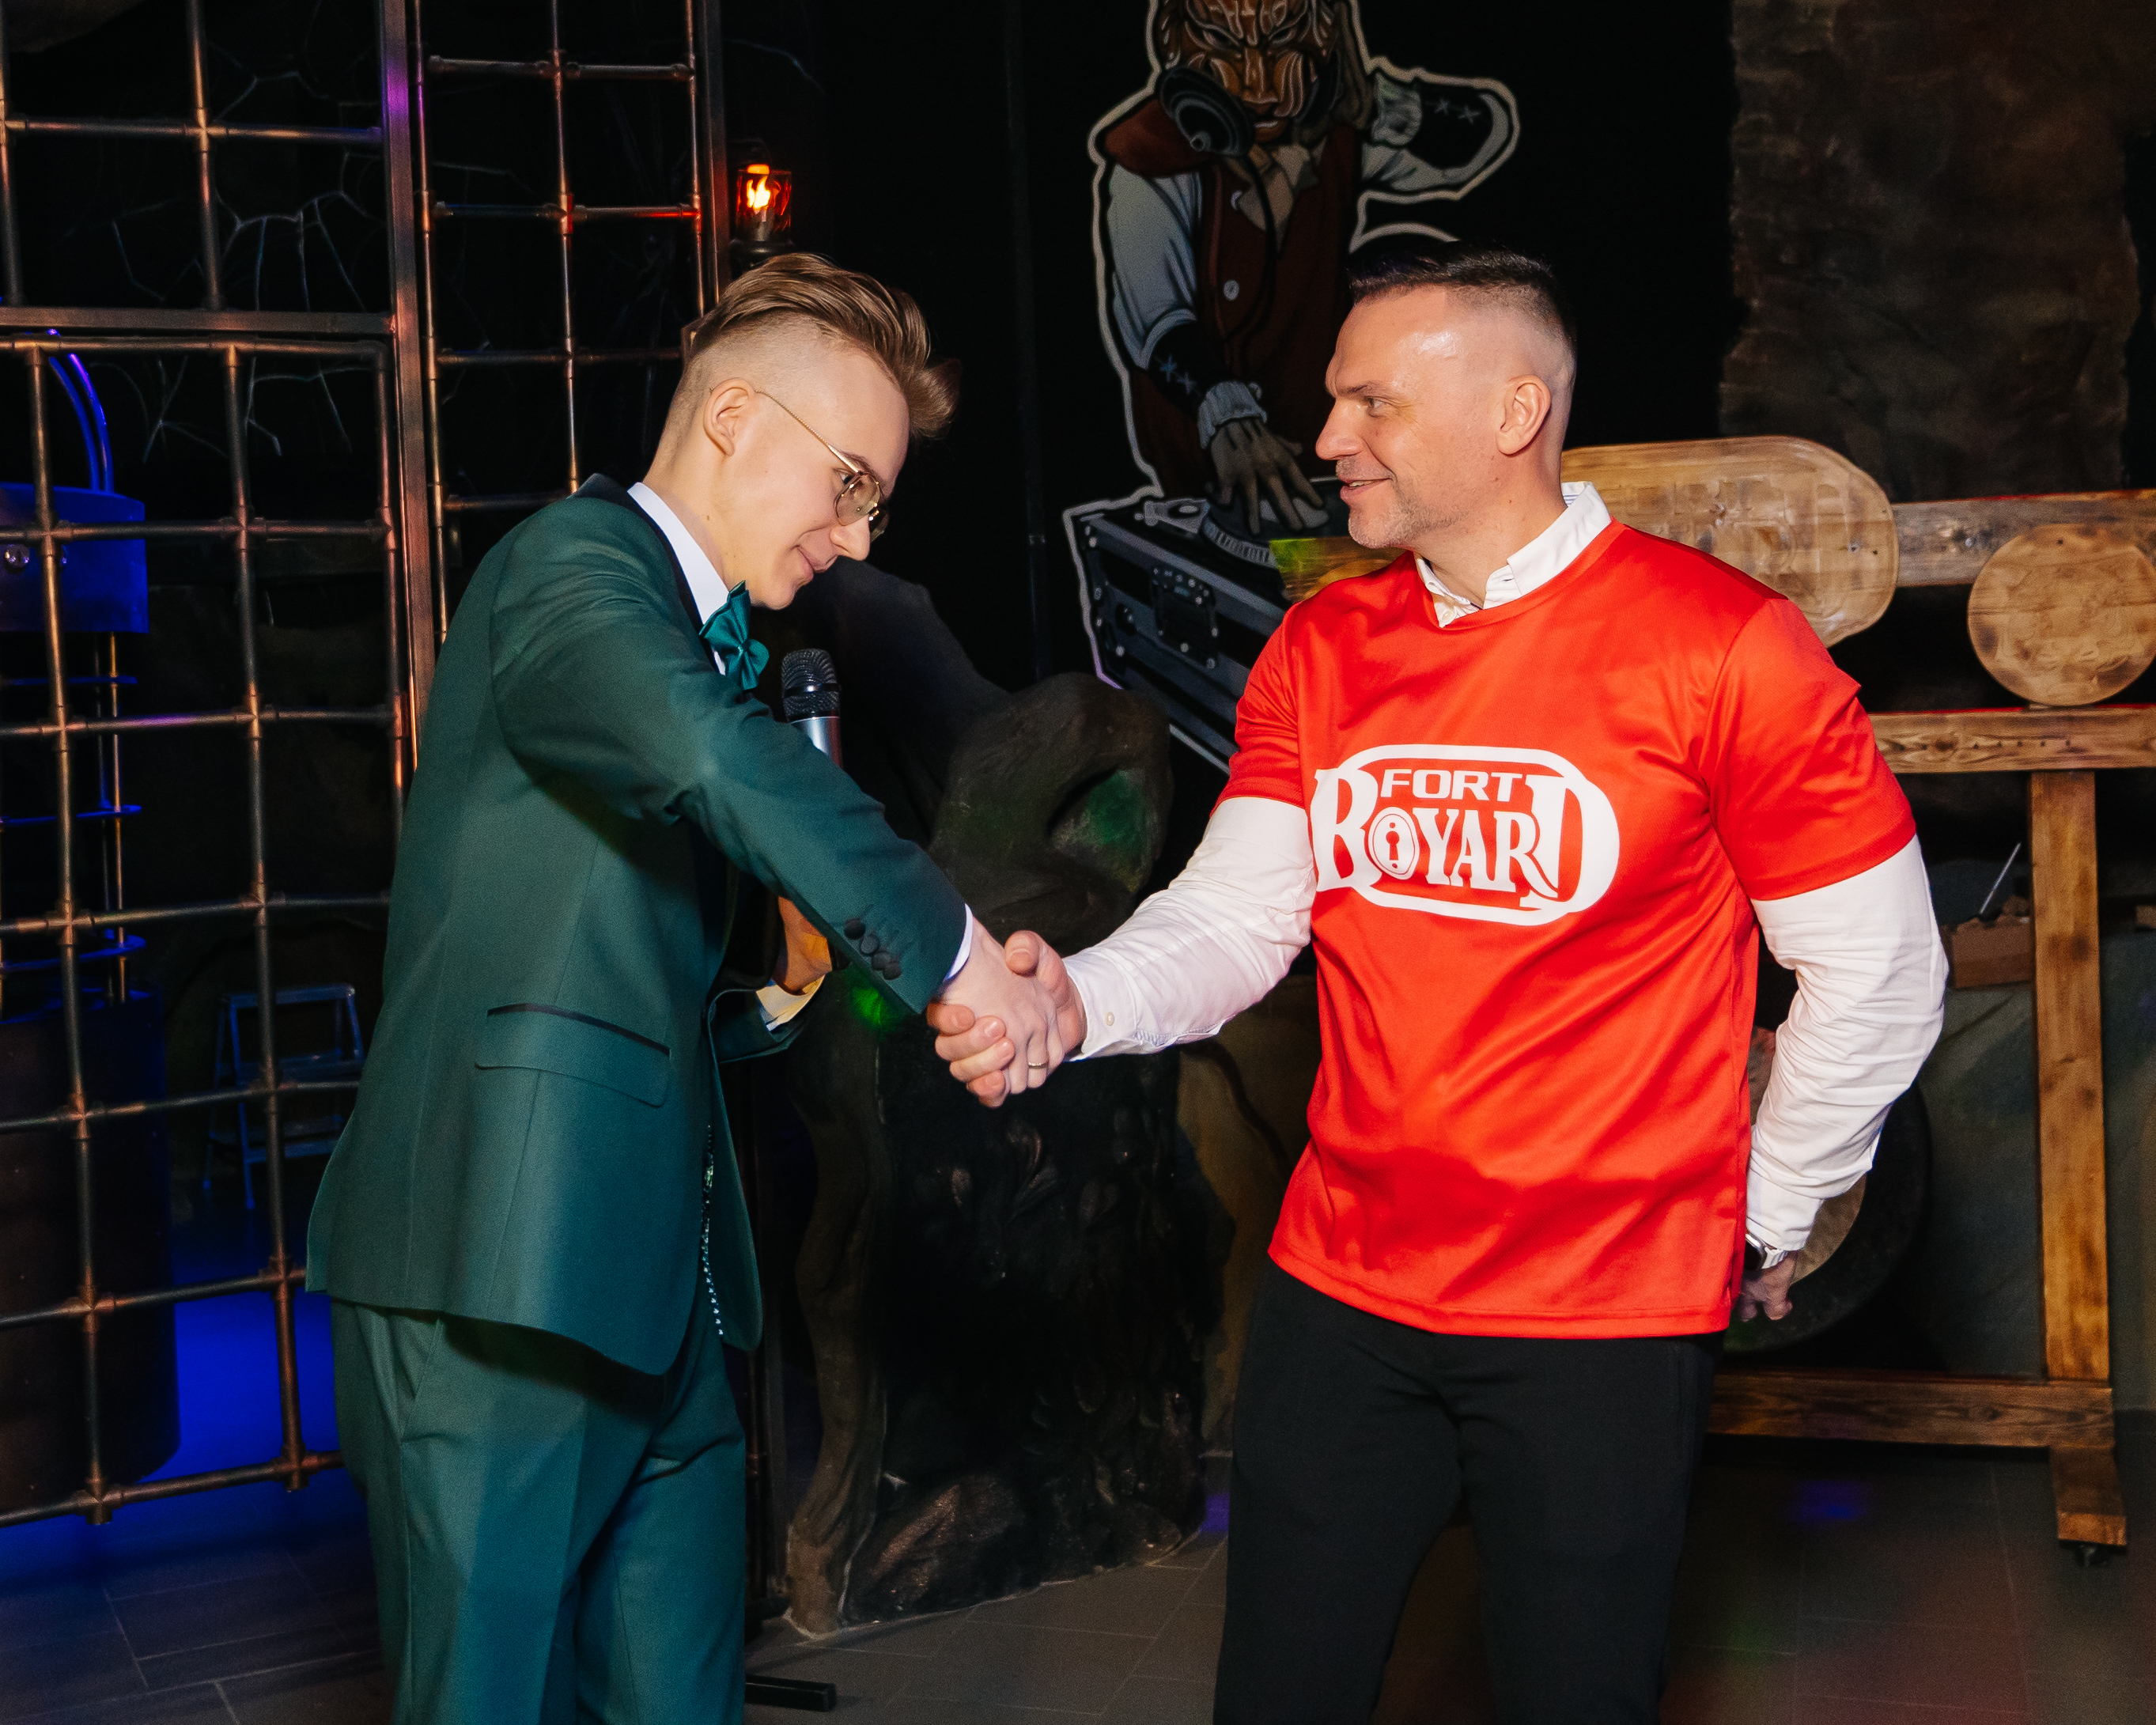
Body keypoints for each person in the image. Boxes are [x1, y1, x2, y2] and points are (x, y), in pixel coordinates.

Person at [932, 240, 1947, 1722]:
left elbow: (1879, 969)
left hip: (1601, 1315)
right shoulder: (1323, 645)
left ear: (1515, 411)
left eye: (1373, 403)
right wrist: (1075, 1002)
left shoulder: (1725, 646)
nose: (1326, 436)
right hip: (1344, 1287)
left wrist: (1764, 1209)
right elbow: (1235, 918)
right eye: (1332, 400)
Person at [306, 254, 1064, 1725]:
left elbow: (604, 955)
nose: (855, 537)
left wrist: (768, 987)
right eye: (847, 482)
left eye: (877, 503)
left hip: (662, 1300)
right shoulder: (570, 570)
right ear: (730, 419)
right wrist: (962, 957)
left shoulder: (692, 636)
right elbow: (713, 760)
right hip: (500, 1278)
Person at [1095, 0, 1516, 520]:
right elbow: (1156, 319)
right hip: (1203, 481)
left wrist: (1377, 103)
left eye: (1282, 44)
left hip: (1326, 461)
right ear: (1175, 43)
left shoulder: (1338, 135)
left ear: (1324, 38)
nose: (1261, 88)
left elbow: (1483, 135)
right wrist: (1224, 413)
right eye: (1224, 46)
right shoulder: (1149, 158)